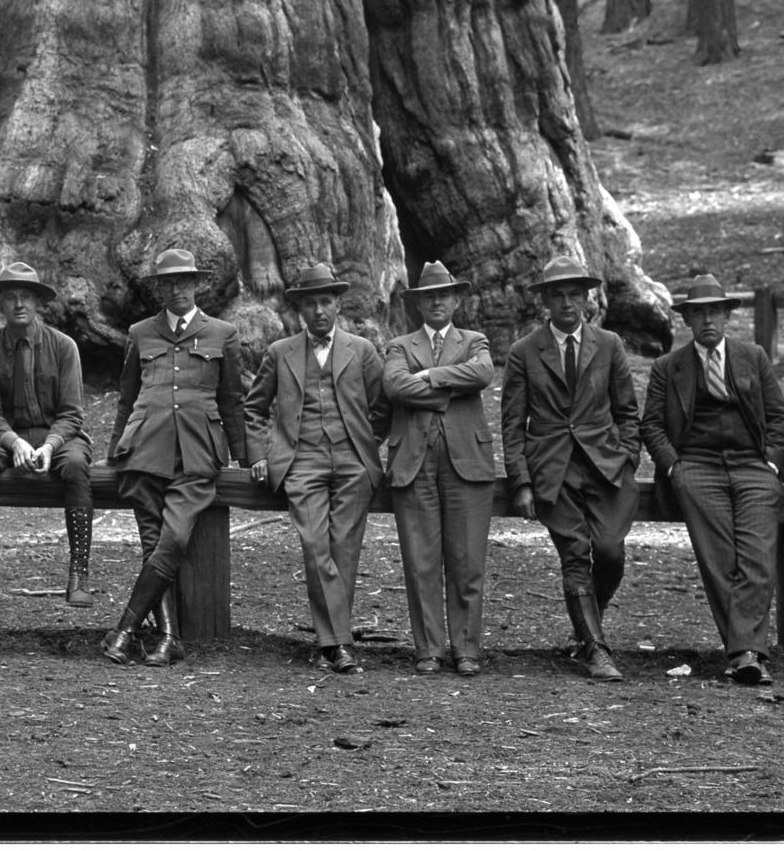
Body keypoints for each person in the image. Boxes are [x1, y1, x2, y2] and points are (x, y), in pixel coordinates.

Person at [101, 248, 248, 667]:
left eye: (184, 281)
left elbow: (232, 400)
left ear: (197, 284)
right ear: (159, 288)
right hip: (144, 451)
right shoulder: (140, 333)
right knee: (154, 542)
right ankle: (168, 638)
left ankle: (124, 630)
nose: (177, 288)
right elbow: (127, 398)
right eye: (168, 282)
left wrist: (245, 455)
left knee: (173, 539)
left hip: (198, 454)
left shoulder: (223, 333)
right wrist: (114, 451)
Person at [641, 273, 784, 686]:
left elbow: (778, 416)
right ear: (687, 321)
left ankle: (743, 651)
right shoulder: (668, 368)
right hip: (697, 467)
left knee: (757, 555)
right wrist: (674, 467)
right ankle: (748, 653)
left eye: (714, 312)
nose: (707, 320)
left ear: (727, 316)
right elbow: (651, 425)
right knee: (718, 557)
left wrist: (772, 464)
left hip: (752, 467)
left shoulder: (752, 356)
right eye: (698, 313)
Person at [501, 255, 641, 682]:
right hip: (552, 469)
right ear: (545, 301)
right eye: (557, 295)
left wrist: (627, 457)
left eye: (574, 294)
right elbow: (512, 425)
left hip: (605, 468)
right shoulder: (524, 351)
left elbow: (627, 412)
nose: (566, 303)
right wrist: (521, 481)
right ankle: (596, 650)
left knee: (611, 553)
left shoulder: (609, 344)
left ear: (586, 298)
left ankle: (583, 632)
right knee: (575, 556)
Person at [244, 262, 389, 674]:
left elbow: (383, 406)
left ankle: (331, 644)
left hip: (352, 462)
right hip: (300, 461)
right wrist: (259, 455)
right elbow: (253, 408)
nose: (319, 310)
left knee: (344, 547)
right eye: (311, 303)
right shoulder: (280, 352)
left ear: (338, 305)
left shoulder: (361, 350)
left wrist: (367, 443)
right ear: (300, 310)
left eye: (326, 301)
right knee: (315, 546)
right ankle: (339, 644)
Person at [0, 262, 94, 608]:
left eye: (27, 297)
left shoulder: (64, 347)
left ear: (38, 303)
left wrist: (50, 445)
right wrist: (13, 441)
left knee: (76, 463)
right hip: (6, 437)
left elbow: (72, 414)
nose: (19, 305)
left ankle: (79, 575)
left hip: (56, 435)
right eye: (11, 298)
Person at [381, 261, 497, 677]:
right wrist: (450, 387)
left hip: (467, 462)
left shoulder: (475, 340)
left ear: (456, 300)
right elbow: (394, 386)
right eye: (428, 296)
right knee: (420, 561)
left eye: (443, 295)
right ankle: (428, 648)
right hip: (413, 462)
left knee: (467, 561)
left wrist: (429, 376)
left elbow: (482, 373)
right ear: (417, 304)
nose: (436, 302)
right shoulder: (399, 346)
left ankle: (466, 649)